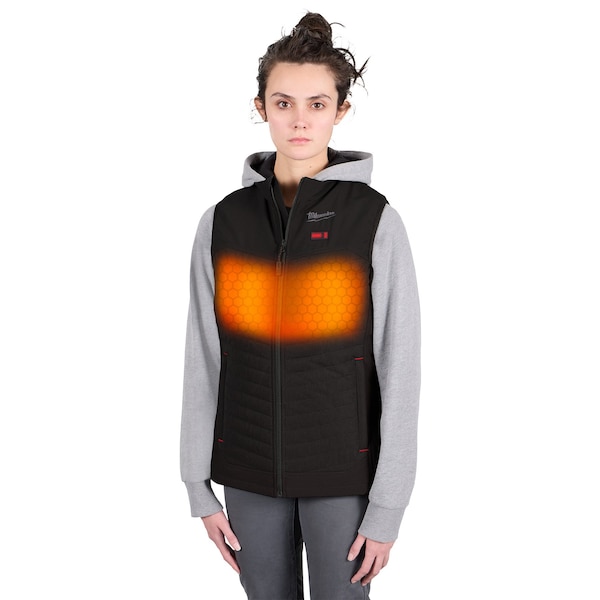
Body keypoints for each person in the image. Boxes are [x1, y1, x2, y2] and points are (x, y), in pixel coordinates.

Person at [180, 11, 421, 600]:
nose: (299, 120)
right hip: (246, 471)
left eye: (317, 104)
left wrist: (388, 506)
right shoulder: (223, 223)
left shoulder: (374, 221)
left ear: (341, 111)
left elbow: (400, 366)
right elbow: (204, 357)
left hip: (343, 473)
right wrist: (197, 486)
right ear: (261, 107)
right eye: (283, 102)